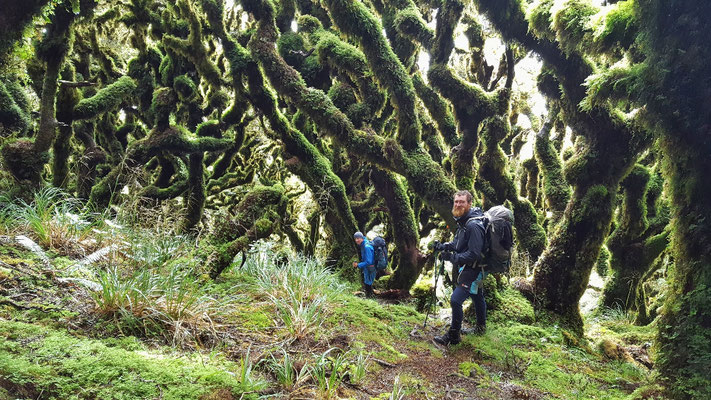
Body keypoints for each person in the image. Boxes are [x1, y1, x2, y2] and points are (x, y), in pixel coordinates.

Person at [433, 190, 488, 345]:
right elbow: (458, 244)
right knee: (477, 296)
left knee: (456, 300)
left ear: (469, 204)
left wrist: (453, 258)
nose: (458, 204)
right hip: (473, 266)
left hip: (475, 267)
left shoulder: (473, 225)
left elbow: (474, 254)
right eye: (456, 201)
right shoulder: (463, 221)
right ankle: (481, 328)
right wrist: (443, 246)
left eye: (462, 202)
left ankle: (453, 335)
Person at [353, 231, 376, 298]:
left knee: (368, 282)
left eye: (358, 238)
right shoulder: (363, 245)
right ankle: (369, 297)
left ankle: (369, 297)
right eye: (355, 239)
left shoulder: (366, 246)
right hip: (367, 267)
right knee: (367, 281)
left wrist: (358, 265)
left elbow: (369, 261)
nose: (357, 240)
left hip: (370, 267)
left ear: (362, 238)